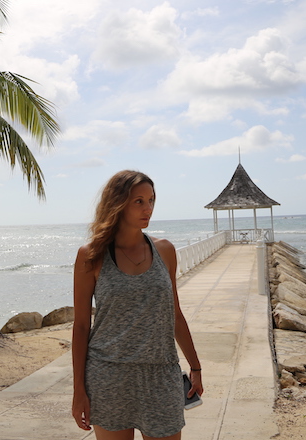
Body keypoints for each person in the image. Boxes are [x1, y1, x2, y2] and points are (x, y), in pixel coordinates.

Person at [72, 170, 203, 440]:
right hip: (109, 375)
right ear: (118, 203)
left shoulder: (164, 250)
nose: (148, 209)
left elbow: (174, 313)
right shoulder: (91, 255)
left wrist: (196, 366)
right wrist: (78, 390)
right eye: (139, 201)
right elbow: (82, 326)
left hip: (160, 373)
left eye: (152, 200)